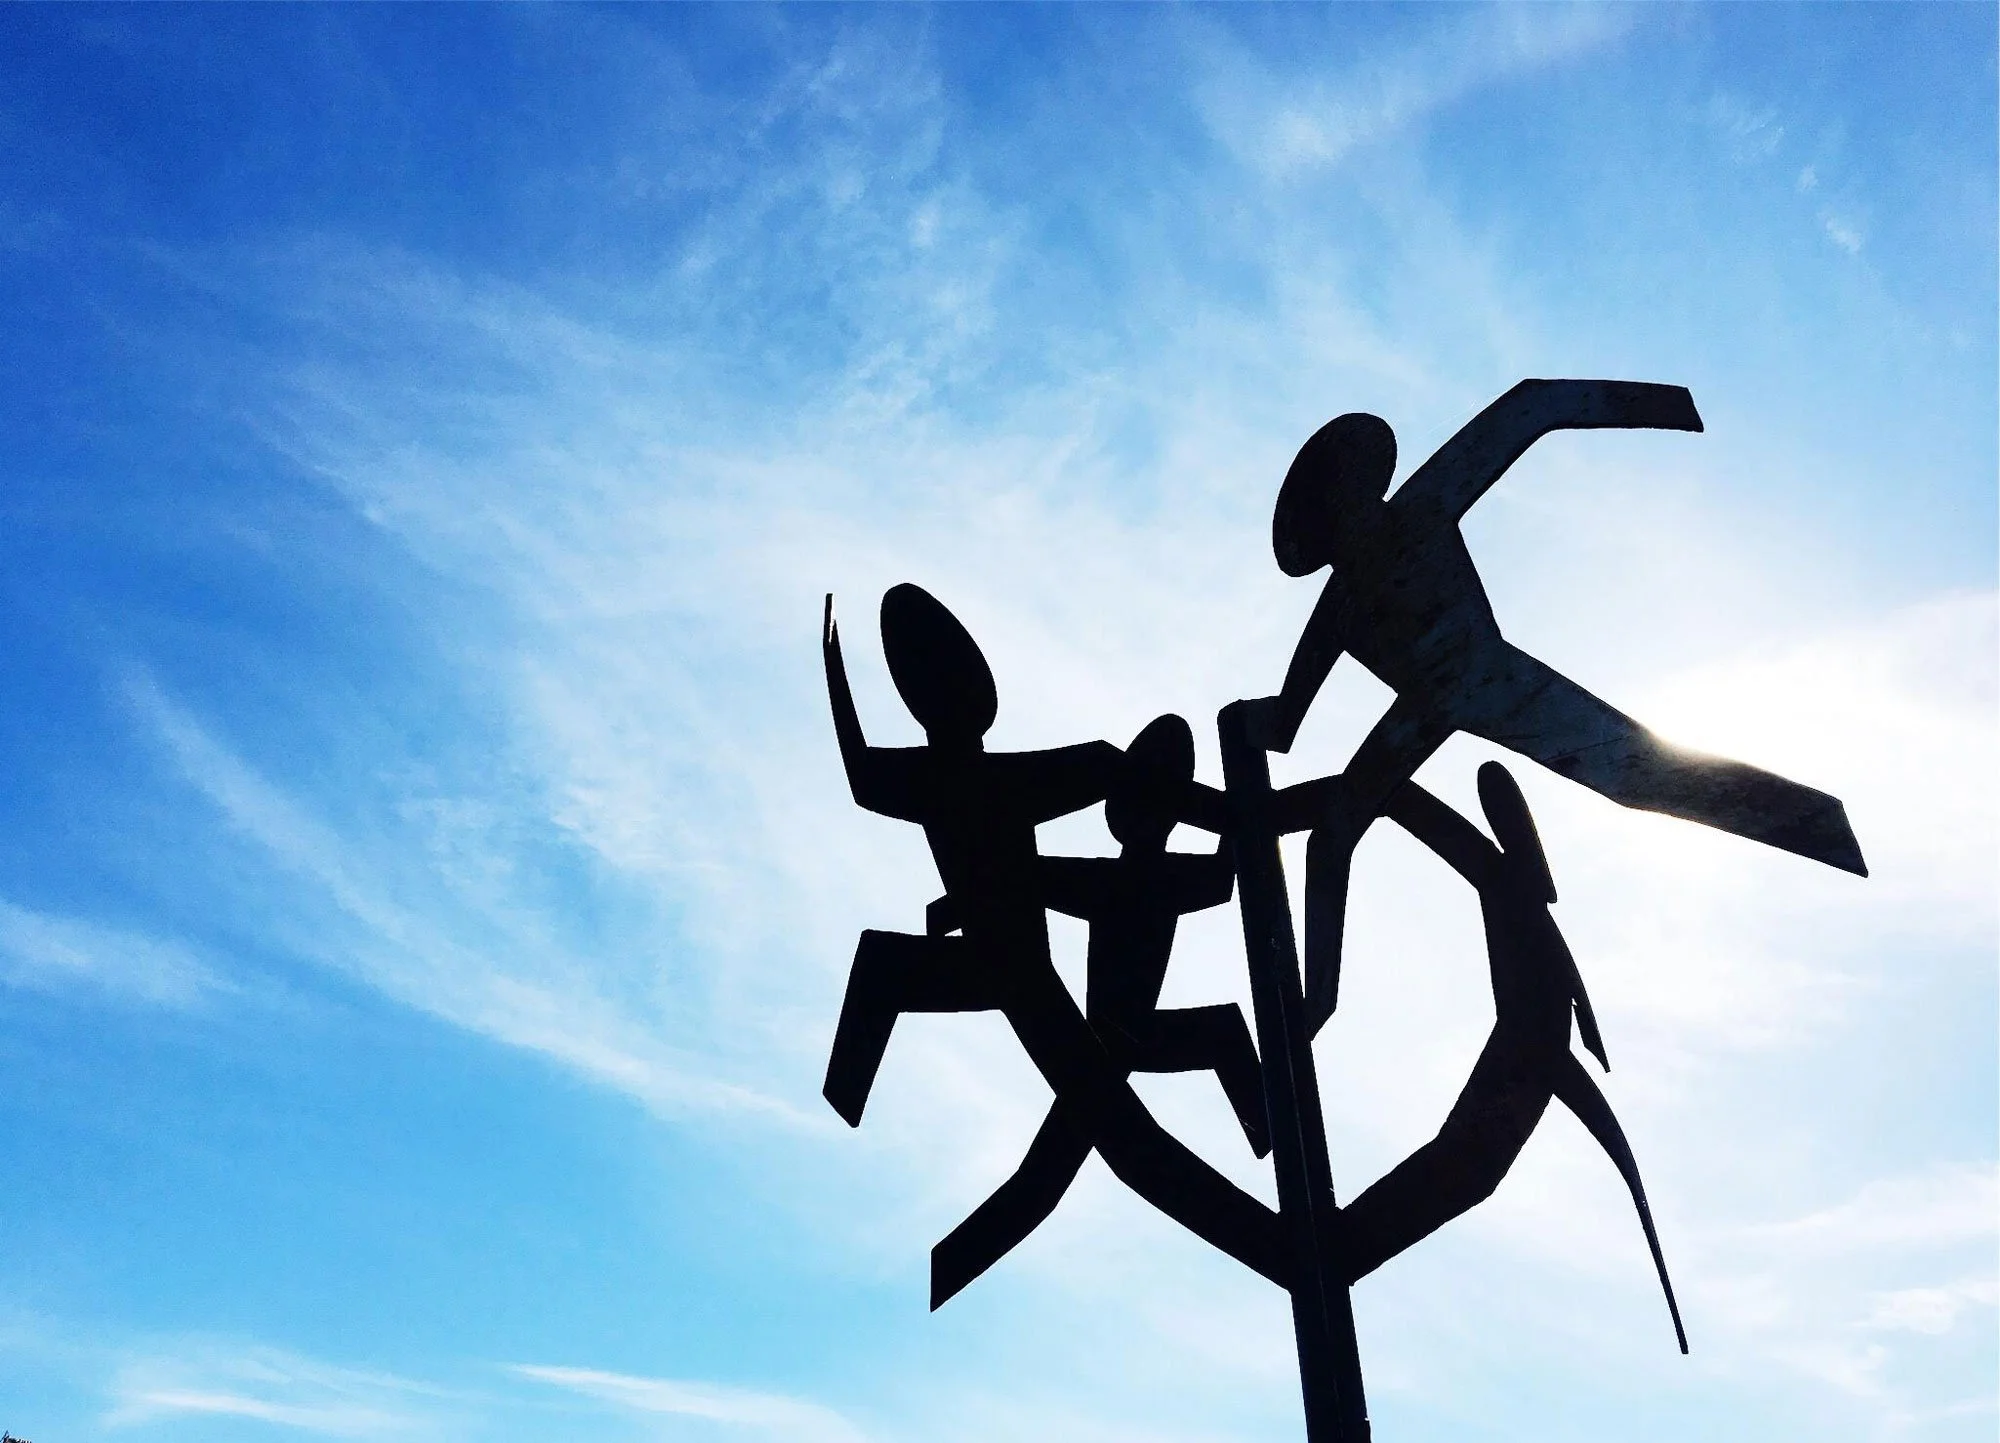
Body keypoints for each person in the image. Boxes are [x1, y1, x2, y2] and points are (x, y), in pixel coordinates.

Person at [1247, 379, 1866, 1030]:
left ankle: (1810, 821)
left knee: (1632, 769)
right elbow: (1287, 720)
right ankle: (1314, 1003)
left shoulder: (1422, 505)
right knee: (1332, 836)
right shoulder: (1337, 608)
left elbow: (1529, 409)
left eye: (1342, 496)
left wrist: (1669, 407)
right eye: (1330, 513)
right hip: (1425, 707)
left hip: (1489, 674)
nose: (1347, 520)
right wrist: (1257, 724)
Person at [820, 585, 1287, 1294]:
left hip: (1039, 985)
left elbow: (1092, 817)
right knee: (1088, 1153)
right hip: (1020, 979)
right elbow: (1042, 849)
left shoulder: (1019, 796)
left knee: (1085, 1157)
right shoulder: (970, 786)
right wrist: (836, 676)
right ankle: (857, 1123)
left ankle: (1274, 1147)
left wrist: (1216, 802)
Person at [1336, 762, 1687, 1353]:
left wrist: (1588, 1033)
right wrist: (1374, 789)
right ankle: (1348, 1237)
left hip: (1541, 1049)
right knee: (1463, 1164)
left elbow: (1564, 971)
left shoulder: (1523, 894)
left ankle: (1349, 1237)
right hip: (1526, 1045)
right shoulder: (1500, 878)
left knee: (1470, 1168)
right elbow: (1428, 819)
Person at [927, 713, 1269, 1308]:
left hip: (1135, 1036)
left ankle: (1269, 1134)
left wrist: (1233, 805)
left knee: (1045, 1177)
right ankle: (1270, 1134)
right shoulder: (1115, 880)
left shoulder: (1153, 878)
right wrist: (1228, 807)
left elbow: (1219, 877)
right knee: (1043, 1181)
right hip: (1108, 1040)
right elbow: (1022, 879)